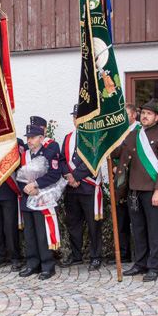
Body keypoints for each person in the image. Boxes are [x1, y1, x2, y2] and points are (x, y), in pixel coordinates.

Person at [111, 99, 158, 282]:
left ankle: (154, 266)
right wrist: (104, 142)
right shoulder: (133, 135)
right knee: (138, 230)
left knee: (154, 231)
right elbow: (118, 154)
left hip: (151, 191)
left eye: (149, 113)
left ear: (156, 117)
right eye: (143, 113)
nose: (145, 116)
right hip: (134, 190)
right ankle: (140, 263)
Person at [16, 117, 62, 280]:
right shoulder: (24, 156)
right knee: (30, 235)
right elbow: (19, 177)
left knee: (43, 235)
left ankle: (47, 266)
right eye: (28, 137)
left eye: (33, 137)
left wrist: (35, 184)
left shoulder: (50, 154)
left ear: (41, 138)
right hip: (28, 200)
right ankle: (32, 265)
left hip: (43, 200)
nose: (29, 141)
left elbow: (55, 174)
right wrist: (26, 188)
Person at [61, 105, 103, 271]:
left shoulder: (95, 136)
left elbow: (94, 161)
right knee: (73, 224)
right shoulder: (68, 137)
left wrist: (75, 176)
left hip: (88, 188)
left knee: (93, 225)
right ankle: (76, 255)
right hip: (72, 189)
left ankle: (95, 256)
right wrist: (69, 177)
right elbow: (62, 160)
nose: (77, 120)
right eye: (75, 117)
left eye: (80, 117)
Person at [110, 102, 138, 265]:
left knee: (138, 222)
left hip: (137, 181)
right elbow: (110, 153)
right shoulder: (117, 132)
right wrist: (113, 167)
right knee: (121, 221)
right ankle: (123, 254)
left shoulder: (140, 131)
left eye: (125, 115)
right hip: (120, 182)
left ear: (134, 115)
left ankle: (141, 255)